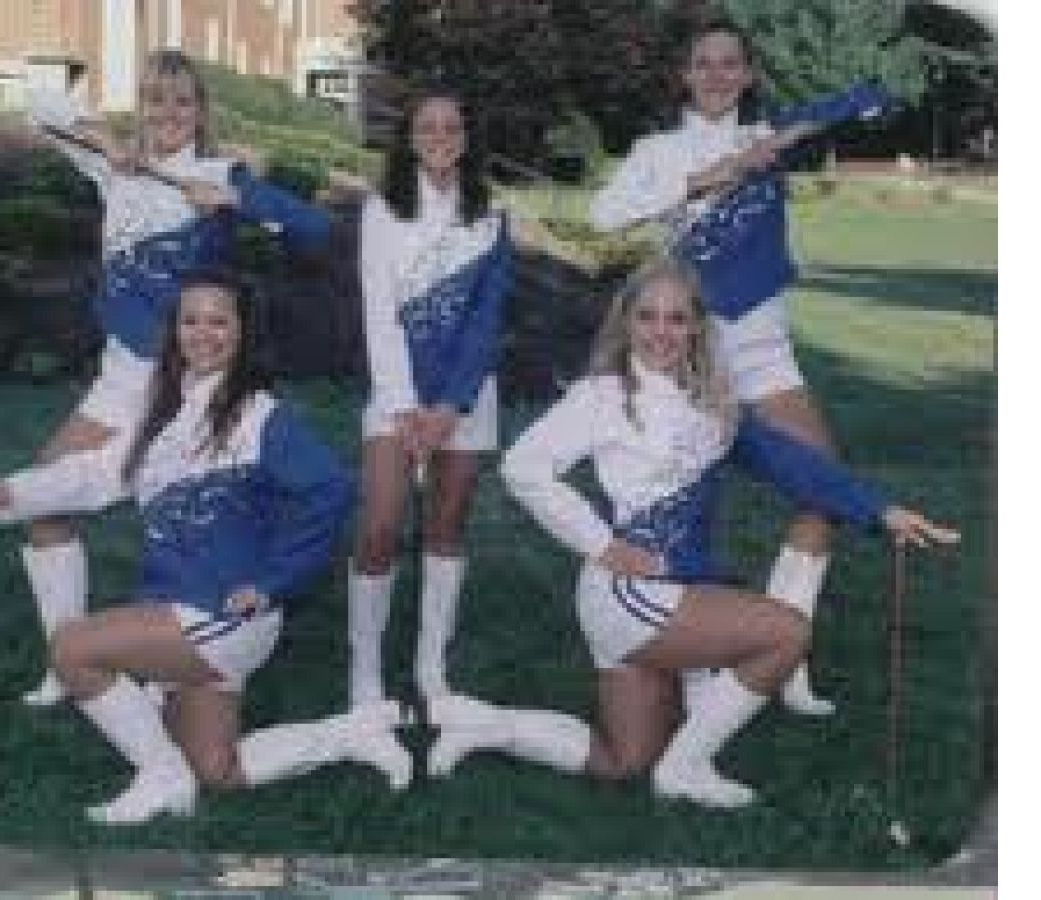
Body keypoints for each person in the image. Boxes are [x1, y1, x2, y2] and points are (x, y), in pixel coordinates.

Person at [425, 260, 958, 809]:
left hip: (665, 593)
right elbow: (523, 466)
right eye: (647, 317)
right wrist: (602, 544)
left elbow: (791, 463)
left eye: (677, 319)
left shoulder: (714, 403)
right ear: (626, 322)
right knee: (786, 633)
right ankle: (686, 769)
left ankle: (485, 727)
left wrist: (881, 511)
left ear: (698, 327)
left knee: (624, 759)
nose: (661, 332)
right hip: (630, 594)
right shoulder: (602, 396)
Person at [0, 272, 410, 825]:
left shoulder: (260, 415)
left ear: (243, 332)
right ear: (174, 331)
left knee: (72, 650)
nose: (202, 334)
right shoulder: (163, 412)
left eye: (219, 321)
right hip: (181, 610)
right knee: (217, 769)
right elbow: (97, 475)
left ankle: (160, 777)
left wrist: (272, 581)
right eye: (190, 321)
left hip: (221, 615)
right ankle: (351, 734)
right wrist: (9, 492)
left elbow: (331, 490)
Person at [588, 15, 892, 716]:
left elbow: (830, 112)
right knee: (678, 512)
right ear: (684, 74)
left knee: (824, 490)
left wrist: (867, 98)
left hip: (763, 349)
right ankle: (687, 650)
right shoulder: (658, 150)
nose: (717, 74)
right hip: (688, 353)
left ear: (749, 74)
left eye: (731, 63)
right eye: (703, 62)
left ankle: (786, 651)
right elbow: (605, 215)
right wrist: (710, 177)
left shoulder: (768, 135)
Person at [16, 50, 331, 706]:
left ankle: (176, 649)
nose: (168, 113)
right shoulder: (115, 167)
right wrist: (101, 137)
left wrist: (233, 198)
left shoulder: (217, 173)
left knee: (174, 525)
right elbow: (38, 100)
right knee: (43, 502)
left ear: (201, 112)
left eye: (182, 101)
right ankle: (68, 659)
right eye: (156, 100)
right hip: (118, 378)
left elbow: (315, 227)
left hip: (182, 386)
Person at [348, 84, 513, 707]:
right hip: (397, 396)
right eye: (427, 127)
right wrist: (404, 405)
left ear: (467, 139)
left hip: (464, 398)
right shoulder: (381, 211)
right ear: (409, 138)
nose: (440, 138)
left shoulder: (491, 216)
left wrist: (450, 405)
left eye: (452, 127)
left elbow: (487, 320)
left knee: (447, 526)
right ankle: (365, 670)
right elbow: (378, 311)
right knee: (380, 526)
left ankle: (430, 666)